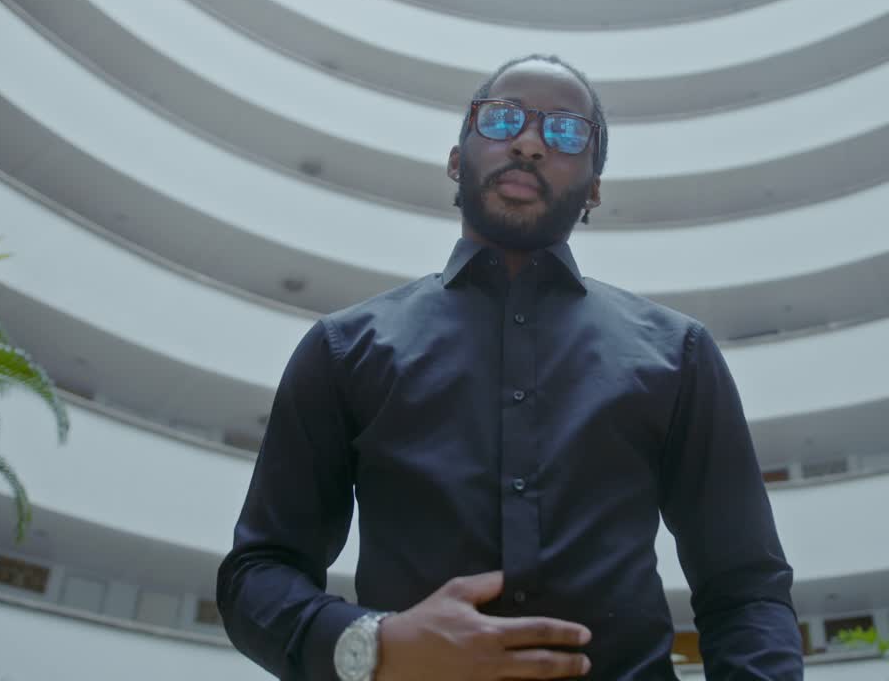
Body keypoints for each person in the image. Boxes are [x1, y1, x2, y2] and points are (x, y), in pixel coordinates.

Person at [217, 54, 802, 681]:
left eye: (566, 132)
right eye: (503, 119)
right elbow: (259, 572)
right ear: (455, 158)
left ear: (595, 189)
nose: (528, 143)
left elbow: (745, 589)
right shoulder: (342, 349)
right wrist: (376, 644)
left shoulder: (679, 355)